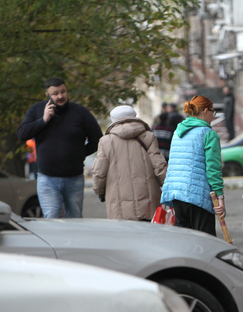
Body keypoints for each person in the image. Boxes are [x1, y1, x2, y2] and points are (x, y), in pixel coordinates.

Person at [17, 77, 102, 218]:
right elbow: (22, 134)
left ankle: (73, 241)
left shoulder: (80, 112)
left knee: (75, 219)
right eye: (55, 93)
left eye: (63, 92)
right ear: (47, 95)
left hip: (74, 179)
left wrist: (80, 154)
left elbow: (98, 139)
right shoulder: (37, 110)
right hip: (47, 179)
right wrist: (43, 120)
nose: (61, 96)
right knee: (52, 220)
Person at [160, 96, 225, 236]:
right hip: (197, 195)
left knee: (185, 242)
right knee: (205, 241)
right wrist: (220, 196)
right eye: (213, 113)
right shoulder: (208, 134)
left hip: (176, 193)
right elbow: (213, 169)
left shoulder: (178, 132)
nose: (212, 117)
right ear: (206, 111)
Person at [92, 106, 167, 221]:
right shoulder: (148, 137)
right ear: (134, 117)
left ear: (113, 120)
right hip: (147, 202)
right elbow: (160, 165)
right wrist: (167, 187)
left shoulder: (105, 141)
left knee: (124, 236)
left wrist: (99, 191)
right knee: (148, 236)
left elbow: (99, 172)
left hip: (118, 204)